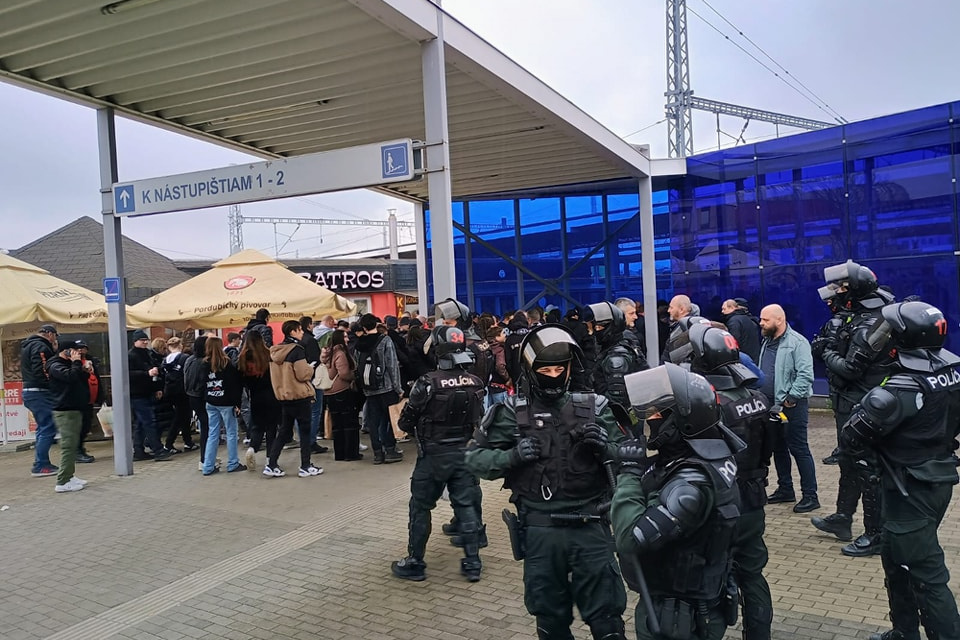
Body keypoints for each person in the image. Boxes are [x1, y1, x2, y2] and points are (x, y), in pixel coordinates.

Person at [465, 324, 628, 640]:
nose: (553, 374)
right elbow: (474, 461)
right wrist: (510, 457)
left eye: (559, 368)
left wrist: (605, 447)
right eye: (545, 368)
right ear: (530, 369)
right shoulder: (511, 413)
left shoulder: (595, 407)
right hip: (541, 531)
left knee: (607, 620)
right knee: (550, 622)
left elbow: (631, 460)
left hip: (591, 527)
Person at [838, 301, 960, 640]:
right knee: (895, 558)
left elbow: (851, 438)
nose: (884, 336)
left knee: (927, 575)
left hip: (909, 487)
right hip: (934, 479)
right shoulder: (952, 372)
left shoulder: (898, 390)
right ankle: (903, 631)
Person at [610, 364, 742, 640]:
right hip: (680, 602)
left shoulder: (689, 486)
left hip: (679, 614)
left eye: (659, 413)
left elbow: (629, 539)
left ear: (683, 421)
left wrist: (629, 476)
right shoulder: (701, 455)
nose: (651, 418)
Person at [688, 324, 776, 640]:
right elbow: (768, 450)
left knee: (710, 575)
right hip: (753, 498)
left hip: (719, 504)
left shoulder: (706, 405)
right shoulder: (758, 398)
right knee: (753, 575)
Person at [813, 260, 896, 558]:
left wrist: (827, 350)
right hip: (850, 403)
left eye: (843, 288)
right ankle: (842, 518)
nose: (838, 293)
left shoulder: (877, 320)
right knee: (849, 463)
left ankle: (875, 534)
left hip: (866, 404)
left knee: (867, 469)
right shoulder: (857, 316)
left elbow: (851, 368)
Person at [391, 326, 486, 582]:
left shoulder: (427, 382)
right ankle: (473, 562)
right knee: (466, 505)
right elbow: (482, 418)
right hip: (464, 453)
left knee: (420, 507)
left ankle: (415, 562)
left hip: (433, 455)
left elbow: (405, 422)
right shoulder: (475, 381)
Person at [759, 304, 818, 513]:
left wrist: (791, 398)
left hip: (791, 406)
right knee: (778, 448)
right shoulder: (767, 341)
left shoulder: (797, 342)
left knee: (799, 449)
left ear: (779, 320)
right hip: (771, 405)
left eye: (765, 320)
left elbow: (805, 375)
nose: (761, 323)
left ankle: (811, 496)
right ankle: (786, 489)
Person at [264, 320, 323, 478]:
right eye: (299, 330)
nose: (302, 332)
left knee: (284, 431)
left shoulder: (275, 351)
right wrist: (311, 368)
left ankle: (271, 463)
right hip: (299, 395)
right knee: (304, 431)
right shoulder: (297, 350)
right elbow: (302, 374)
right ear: (292, 332)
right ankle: (305, 465)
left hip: (283, 396)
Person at [354, 313, 404, 465]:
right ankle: (390, 450)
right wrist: (398, 387)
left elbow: (357, 365)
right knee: (388, 419)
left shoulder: (359, 344)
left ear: (363, 327)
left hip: (369, 388)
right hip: (386, 386)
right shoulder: (385, 340)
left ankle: (377, 453)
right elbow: (392, 365)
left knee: (373, 422)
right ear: (376, 325)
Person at [588, 301, 649, 422]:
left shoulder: (617, 357)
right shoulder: (619, 343)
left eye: (599, 327)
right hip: (628, 414)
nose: (594, 331)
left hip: (619, 420)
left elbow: (617, 400)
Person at [46, 343, 91, 493]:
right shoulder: (55, 365)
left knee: (73, 444)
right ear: (65, 351)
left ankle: (69, 476)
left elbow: (79, 378)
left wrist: (84, 370)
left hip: (75, 407)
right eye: (74, 351)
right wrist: (77, 363)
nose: (78, 353)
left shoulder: (67, 364)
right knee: (68, 445)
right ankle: (63, 481)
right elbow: (70, 378)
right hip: (65, 410)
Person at [201, 337, 245, 475]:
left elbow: (201, 383)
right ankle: (232, 463)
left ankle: (208, 466)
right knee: (231, 433)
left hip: (211, 402)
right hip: (226, 402)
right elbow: (235, 385)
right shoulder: (227, 364)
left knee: (212, 433)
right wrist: (237, 403)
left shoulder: (203, 364)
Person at [21, 324, 60, 477]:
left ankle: (41, 462)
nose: (55, 340)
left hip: (31, 392)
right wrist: (52, 384)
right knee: (48, 427)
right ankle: (41, 465)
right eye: (55, 336)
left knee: (42, 428)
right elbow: (42, 369)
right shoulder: (39, 346)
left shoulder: (28, 345)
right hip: (39, 392)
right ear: (50, 334)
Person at [238, 330, 280, 471]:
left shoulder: (242, 357)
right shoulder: (268, 354)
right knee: (271, 428)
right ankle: (270, 458)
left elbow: (242, 379)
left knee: (257, 426)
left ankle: (252, 448)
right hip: (271, 394)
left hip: (254, 396)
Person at [128, 329, 172, 462]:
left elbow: (155, 368)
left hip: (147, 391)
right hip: (137, 394)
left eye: (146, 340)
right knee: (149, 421)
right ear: (135, 341)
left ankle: (139, 451)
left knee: (141, 423)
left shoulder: (147, 354)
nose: (145, 342)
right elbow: (128, 374)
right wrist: (147, 374)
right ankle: (158, 450)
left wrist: (157, 388)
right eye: (142, 340)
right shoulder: (131, 356)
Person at [320, 329, 362, 461]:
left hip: (329, 392)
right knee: (349, 423)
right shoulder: (340, 353)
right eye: (344, 337)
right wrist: (353, 376)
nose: (347, 339)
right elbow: (344, 373)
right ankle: (350, 453)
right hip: (342, 390)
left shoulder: (326, 353)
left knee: (337, 424)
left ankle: (339, 453)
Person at [161, 337, 197, 454]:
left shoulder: (165, 360)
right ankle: (169, 443)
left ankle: (187, 441)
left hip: (170, 391)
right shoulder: (184, 358)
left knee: (182, 416)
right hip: (183, 390)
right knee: (181, 417)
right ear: (180, 345)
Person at [299, 315, 329, 455]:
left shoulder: (298, 340)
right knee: (315, 410)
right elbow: (315, 360)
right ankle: (311, 441)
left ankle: (304, 440)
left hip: (300, 379)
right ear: (309, 325)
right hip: (313, 378)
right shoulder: (310, 340)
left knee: (303, 411)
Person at [184, 335, 214, 471]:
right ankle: (205, 459)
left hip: (191, 396)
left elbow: (186, 379)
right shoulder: (204, 362)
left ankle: (206, 457)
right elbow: (203, 382)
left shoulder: (189, 360)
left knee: (205, 427)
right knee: (207, 429)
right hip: (201, 397)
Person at [72, 340, 101, 464]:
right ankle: (77, 451)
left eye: (83, 348)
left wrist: (100, 396)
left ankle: (80, 448)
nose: (80, 350)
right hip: (79, 399)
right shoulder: (73, 363)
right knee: (80, 427)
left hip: (90, 398)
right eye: (78, 348)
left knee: (87, 425)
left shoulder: (91, 361)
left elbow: (97, 378)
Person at [721, 298, 761, 362]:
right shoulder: (750, 319)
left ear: (731, 308)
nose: (722, 311)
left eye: (724, 309)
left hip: (743, 359)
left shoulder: (734, 321)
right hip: (753, 358)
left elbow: (734, 342)